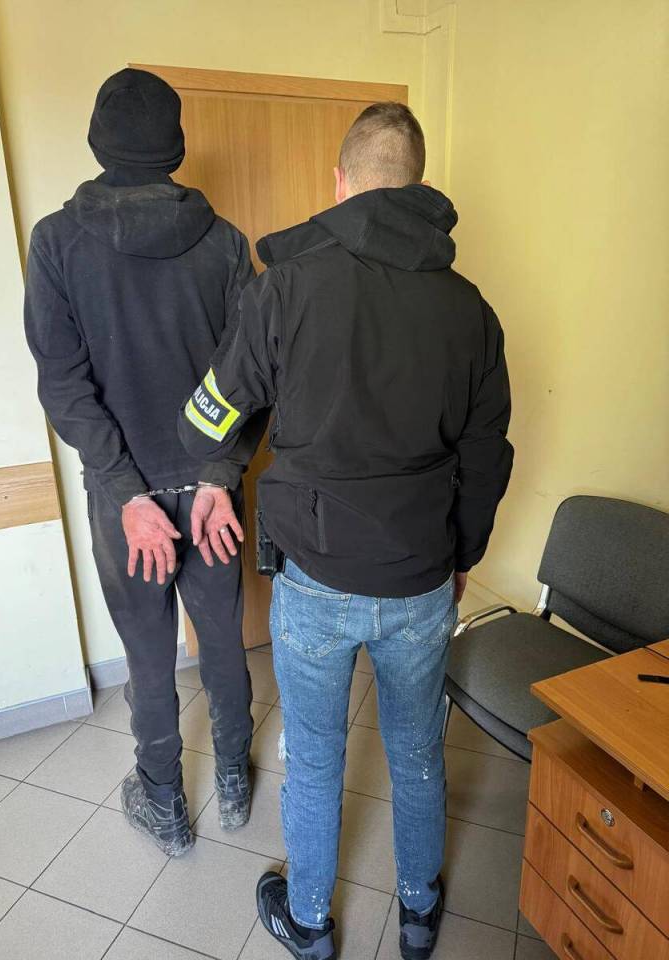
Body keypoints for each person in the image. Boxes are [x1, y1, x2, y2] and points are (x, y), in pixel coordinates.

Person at [179, 102, 513, 959]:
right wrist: (463, 557)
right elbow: (487, 458)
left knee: (318, 756)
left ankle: (312, 924)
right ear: (419, 185)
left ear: (341, 182)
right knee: (418, 753)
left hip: (316, 580)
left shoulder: (284, 287)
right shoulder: (471, 311)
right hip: (422, 579)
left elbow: (209, 415)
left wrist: (214, 469)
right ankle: (419, 915)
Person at [24, 68, 263, 856]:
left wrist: (127, 494)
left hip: (126, 496)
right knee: (220, 639)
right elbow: (252, 374)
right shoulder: (226, 244)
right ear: (175, 146)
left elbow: (64, 385)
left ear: (99, 142)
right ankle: (234, 779)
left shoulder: (57, 243)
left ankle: (164, 802)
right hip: (211, 493)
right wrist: (220, 475)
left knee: (149, 653)